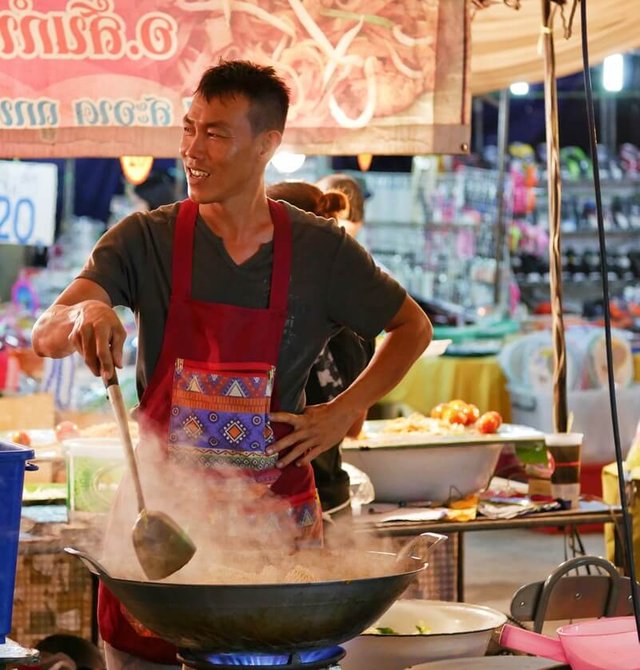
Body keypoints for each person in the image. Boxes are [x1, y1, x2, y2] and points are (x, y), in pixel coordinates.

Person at [31, 60, 432, 670]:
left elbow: (412, 328)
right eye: (189, 128)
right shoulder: (147, 238)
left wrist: (344, 409)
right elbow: (46, 333)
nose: (193, 149)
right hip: (163, 533)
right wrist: (85, 316)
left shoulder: (322, 250)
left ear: (267, 143)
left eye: (215, 133)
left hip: (275, 539)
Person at [266, 180, 375, 520]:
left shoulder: (269, 317)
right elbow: (354, 426)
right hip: (331, 495)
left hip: (275, 505)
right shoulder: (360, 318)